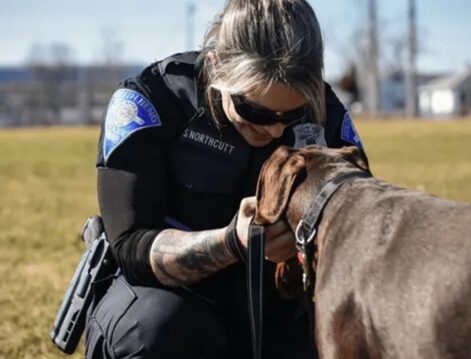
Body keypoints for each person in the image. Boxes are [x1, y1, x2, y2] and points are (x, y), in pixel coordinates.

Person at [85, 0, 366, 358]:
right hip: (169, 307)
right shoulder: (153, 101)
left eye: (292, 114)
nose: (274, 128)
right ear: (216, 64)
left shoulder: (326, 111)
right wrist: (233, 242)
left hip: (276, 311)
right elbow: (132, 248)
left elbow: (361, 220)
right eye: (254, 110)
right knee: (154, 329)